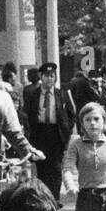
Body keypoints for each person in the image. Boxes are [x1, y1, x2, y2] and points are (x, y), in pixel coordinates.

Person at [21, 61, 73, 199]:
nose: (49, 78)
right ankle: (43, 198)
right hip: (39, 133)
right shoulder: (32, 94)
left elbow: (71, 114)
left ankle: (55, 198)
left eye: (52, 76)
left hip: (56, 134)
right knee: (41, 168)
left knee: (56, 169)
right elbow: (25, 115)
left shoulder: (61, 94)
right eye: (46, 76)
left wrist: (67, 131)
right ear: (41, 77)